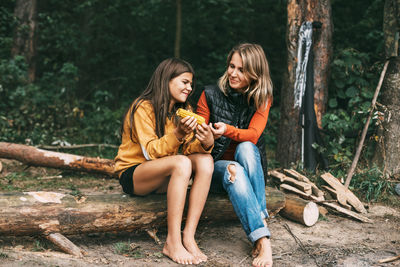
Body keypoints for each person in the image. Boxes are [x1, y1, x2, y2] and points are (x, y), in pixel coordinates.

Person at [114, 58, 214, 265]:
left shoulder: (183, 109)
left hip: (165, 174)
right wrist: (177, 134)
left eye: (191, 84)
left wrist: (206, 142)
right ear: (167, 80)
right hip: (135, 174)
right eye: (184, 82)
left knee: (206, 160)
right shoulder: (143, 107)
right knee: (181, 163)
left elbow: (187, 149)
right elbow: (150, 152)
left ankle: (188, 236)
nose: (189, 88)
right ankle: (172, 242)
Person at [196, 43, 274, 267]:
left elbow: (254, 134)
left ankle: (260, 236)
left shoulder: (263, 98)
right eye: (231, 66)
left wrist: (227, 130)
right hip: (214, 168)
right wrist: (203, 135)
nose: (233, 73)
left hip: (249, 169)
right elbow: (195, 141)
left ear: (255, 74)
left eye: (241, 69)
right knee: (233, 169)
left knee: (247, 147)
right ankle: (263, 239)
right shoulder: (210, 94)